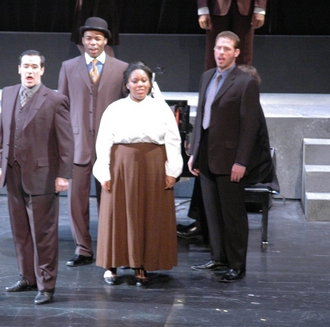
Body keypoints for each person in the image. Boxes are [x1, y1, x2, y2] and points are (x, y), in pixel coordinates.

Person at [188, 31, 273, 283]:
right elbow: (201, 117)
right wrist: (194, 152)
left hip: (229, 159)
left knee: (232, 214)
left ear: (236, 52)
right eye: (217, 48)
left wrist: (241, 161)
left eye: (226, 48)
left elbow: (250, 127)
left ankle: (237, 264)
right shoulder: (206, 77)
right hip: (205, 155)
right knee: (212, 212)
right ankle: (219, 258)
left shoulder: (245, 82)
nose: (221, 53)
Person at [93, 62, 183, 286]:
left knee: (147, 214)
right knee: (117, 214)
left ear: (150, 83)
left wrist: (173, 170)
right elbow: (103, 140)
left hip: (153, 165)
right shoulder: (115, 109)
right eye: (135, 81)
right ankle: (111, 265)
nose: (140, 84)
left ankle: (141, 264)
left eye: (144, 80)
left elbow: (173, 139)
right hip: (121, 165)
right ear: (127, 84)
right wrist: (104, 171)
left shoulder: (161, 108)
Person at [0, 50, 74, 305]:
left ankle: (46, 285)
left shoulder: (55, 99)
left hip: (43, 175)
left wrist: (64, 175)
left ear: (42, 70)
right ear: (19, 68)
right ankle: (27, 277)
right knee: (20, 232)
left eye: (34, 67)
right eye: (25, 66)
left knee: (44, 233)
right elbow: (2, 135)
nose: (30, 71)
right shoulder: (8, 94)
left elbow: (66, 141)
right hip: (13, 172)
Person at [58, 17, 128, 267]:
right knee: (76, 202)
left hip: (108, 147)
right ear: (82, 41)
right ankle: (83, 249)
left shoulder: (121, 68)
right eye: (88, 38)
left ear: (106, 41)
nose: (93, 42)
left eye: (98, 38)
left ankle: (109, 247)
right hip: (77, 146)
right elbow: (62, 108)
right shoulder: (68, 67)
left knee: (108, 200)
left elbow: (125, 108)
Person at [197, 0, 267, 70]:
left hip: (247, 7)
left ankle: (243, 80)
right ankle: (213, 80)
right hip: (215, 7)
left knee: (244, 55)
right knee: (214, 54)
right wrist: (203, 9)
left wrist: (259, 8)